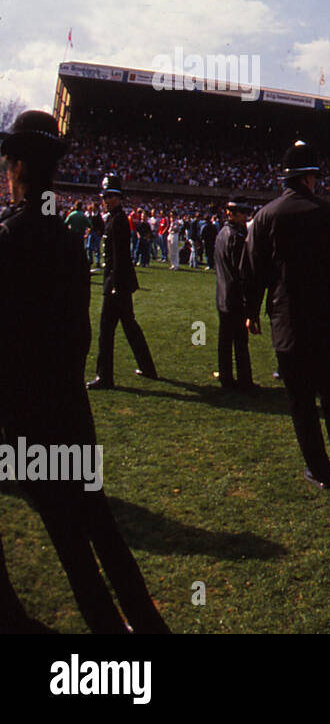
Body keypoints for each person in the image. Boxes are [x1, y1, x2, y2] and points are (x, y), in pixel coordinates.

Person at [0, 111, 169, 633]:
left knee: (75, 546)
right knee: (100, 531)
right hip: (71, 408)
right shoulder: (69, 240)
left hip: (25, 416)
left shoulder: (7, 237)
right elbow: (78, 333)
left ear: (20, 166)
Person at [243, 141, 330, 489]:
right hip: (328, 322)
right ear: (311, 178)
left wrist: (251, 310)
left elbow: (252, 270)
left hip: (288, 322)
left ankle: (318, 469)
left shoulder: (265, 216)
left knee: (301, 404)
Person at [87, 174, 158, 389]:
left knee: (106, 331)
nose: (105, 200)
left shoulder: (118, 221)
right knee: (130, 326)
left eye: (109, 196)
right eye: (105, 196)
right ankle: (147, 367)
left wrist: (115, 285)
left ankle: (104, 377)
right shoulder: (115, 219)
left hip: (116, 283)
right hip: (120, 283)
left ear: (118, 198)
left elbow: (120, 257)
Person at [213, 196, 256, 390]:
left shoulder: (222, 232)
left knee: (225, 341)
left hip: (222, 295)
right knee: (240, 343)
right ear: (235, 214)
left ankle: (226, 377)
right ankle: (245, 382)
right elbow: (242, 271)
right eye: (244, 213)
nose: (246, 217)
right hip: (236, 297)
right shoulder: (237, 237)